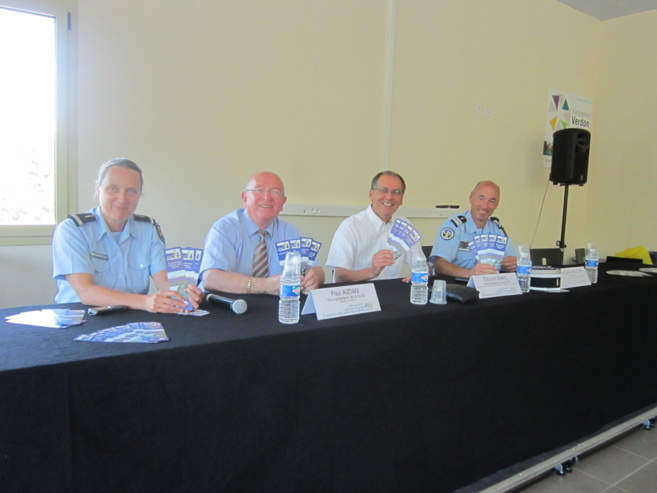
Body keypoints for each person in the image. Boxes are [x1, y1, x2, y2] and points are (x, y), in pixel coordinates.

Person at [52, 158, 202, 312]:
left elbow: (163, 279)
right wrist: (145, 302)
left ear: (139, 194)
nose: (122, 199)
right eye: (113, 189)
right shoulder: (73, 230)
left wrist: (184, 293)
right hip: (81, 316)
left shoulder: (149, 229)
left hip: (132, 316)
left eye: (131, 191)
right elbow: (86, 292)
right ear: (98, 189)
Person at [200, 171, 325, 295]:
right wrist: (265, 285)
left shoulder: (290, 232)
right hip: (230, 304)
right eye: (259, 190)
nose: (267, 197)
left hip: (275, 305)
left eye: (275, 192)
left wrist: (313, 278)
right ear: (245, 198)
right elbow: (210, 278)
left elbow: (317, 270)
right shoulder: (225, 229)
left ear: (283, 202)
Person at [326, 171, 426, 282]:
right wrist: (372, 272)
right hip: (360, 291)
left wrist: (419, 273)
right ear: (371, 194)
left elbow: (423, 265)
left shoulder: (404, 225)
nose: (389, 197)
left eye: (396, 192)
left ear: (402, 199)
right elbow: (339, 276)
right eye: (383, 190)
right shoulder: (350, 227)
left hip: (393, 290)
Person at [429, 180, 518, 278]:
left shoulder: (497, 229)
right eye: (481, 198)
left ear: (497, 205)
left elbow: (512, 260)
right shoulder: (454, 226)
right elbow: (439, 265)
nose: (485, 206)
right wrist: (469, 273)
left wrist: (512, 264)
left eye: (492, 201)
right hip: (456, 284)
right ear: (471, 197)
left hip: (488, 284)